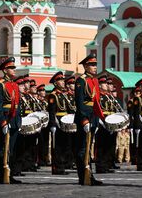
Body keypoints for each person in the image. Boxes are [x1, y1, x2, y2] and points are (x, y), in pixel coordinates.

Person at [74, 53, 104, 186]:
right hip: (84, 117)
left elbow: (96, 102)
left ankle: (89, 175)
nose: (94, 67)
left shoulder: (94, 81)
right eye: (92, 65)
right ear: (85, 66)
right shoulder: (81, 81)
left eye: (95, 64)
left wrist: (96, 119)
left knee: (89, 147)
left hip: (93, 116)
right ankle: (83, 176)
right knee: (82, 148)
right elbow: (80, 102)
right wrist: (84, 120)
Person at [0, 57, 22, 184]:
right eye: (11, 68)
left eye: (14, 68)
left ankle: (9, 174)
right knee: (3, 149)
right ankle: (2, 174)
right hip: (5, 118)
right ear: (5, 70)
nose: (14, 70)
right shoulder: (0, 85)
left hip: (14, 119)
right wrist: (2, 121)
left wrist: (19, 121)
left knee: (11, 149)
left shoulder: (14, 85)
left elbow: (18, 104)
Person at [47, 71, 71, 175]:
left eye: (63, 80)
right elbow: (51, 111)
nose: (63, 82)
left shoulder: (63, 95)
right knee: (57, 147)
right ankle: (56, 168)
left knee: (64, 146)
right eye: (60, 80)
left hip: (65, 122)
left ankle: (62, 166)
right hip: (57, 122)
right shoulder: (53, 95)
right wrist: (53, 124)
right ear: (56, 83)